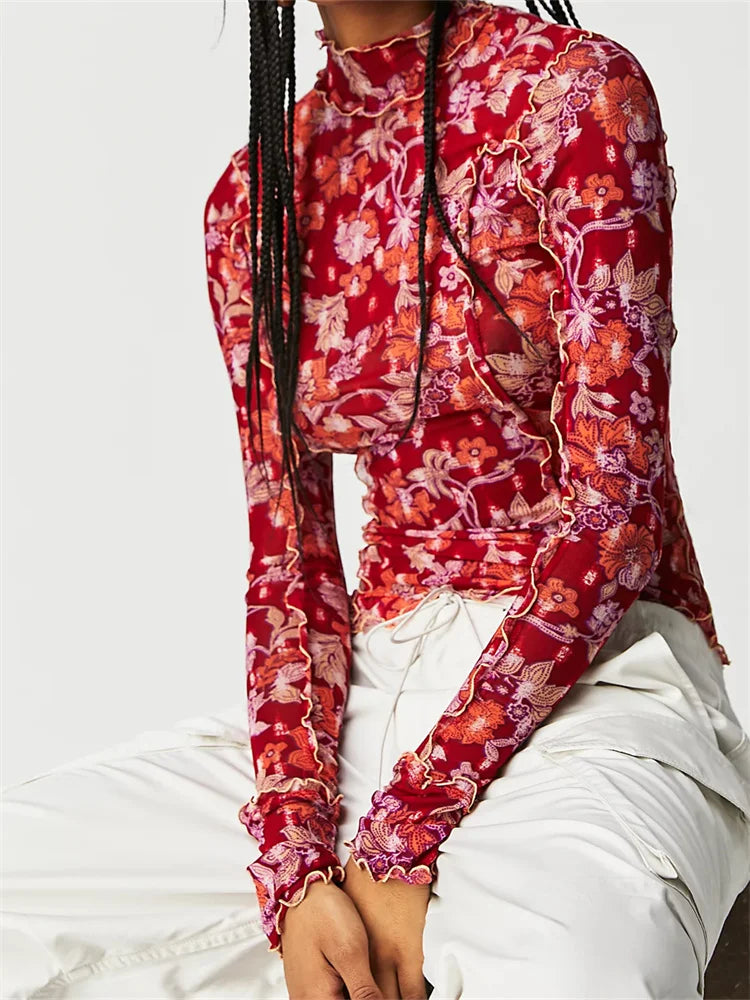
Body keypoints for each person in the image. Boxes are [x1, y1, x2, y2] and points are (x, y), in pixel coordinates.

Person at [2, 1, 749, 998]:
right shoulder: (256, 197)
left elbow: (618, 516)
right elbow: (290, 561)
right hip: (373, 683)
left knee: (579, 969)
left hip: (597, 677)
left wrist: (403, 834)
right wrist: (296, 865)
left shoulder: (570, 93)